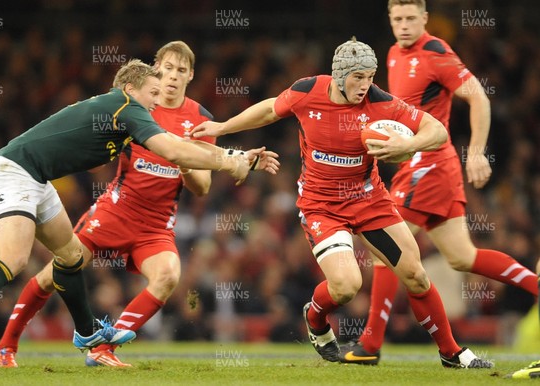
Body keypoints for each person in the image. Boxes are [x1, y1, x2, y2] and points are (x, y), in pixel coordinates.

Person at [0, 58, 279, 370]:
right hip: (15, 171)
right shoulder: (126, 107)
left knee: (70, 256)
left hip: (39, 179)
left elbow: (183, 148)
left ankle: (87, 334)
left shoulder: (125, 112)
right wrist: (228, 161)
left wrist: (238, 155)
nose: (157, 101)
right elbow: (174, 149)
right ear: (131, 89)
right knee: (14, 260)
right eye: (153, 92)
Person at [192, 37, 493, 368]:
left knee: (416, 275)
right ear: (338, 75)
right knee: (348, 286)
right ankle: (316, 317)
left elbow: (436, 130)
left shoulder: (381, 103)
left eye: (370, 77)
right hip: (322, 206)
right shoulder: (309, 91)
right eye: (358, 77)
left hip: (369, 202)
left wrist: (407, 145)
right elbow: (268, 109)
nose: (365, 85)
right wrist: (222, 126)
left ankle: (451, 353)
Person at [336, 0, 538, 365]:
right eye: (397, 19)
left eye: (411, 18)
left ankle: (370, 344)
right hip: (427, 168)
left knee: (386, 245)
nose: (404, 25)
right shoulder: (394, 53)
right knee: (463, 257)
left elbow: (478, 96)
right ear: (390, 20)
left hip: (428, 164)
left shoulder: (435, 51)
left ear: (425, 19)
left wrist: (476, 151)